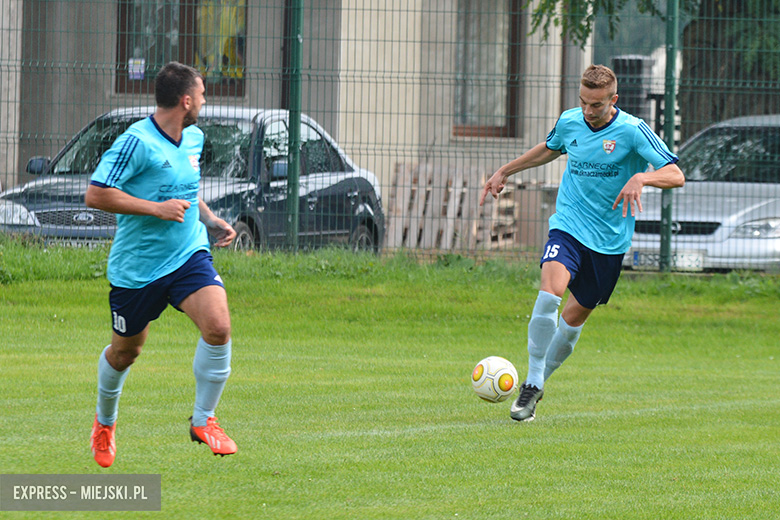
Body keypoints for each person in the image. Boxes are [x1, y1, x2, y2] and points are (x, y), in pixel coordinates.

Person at [480, 64, 685, 422]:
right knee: (549, 294)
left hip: (608, 241)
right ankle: (530, 384)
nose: (589, 112)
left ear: (613, 100)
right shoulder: (570, 121)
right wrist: (505, 171)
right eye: (584, 102)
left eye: (597, 105)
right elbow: (549, 149)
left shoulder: (633, 131)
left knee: (573, 320)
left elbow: (676, 174)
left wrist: (642, 177)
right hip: (569, 227)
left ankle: (540, 380)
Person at [86, 61, 238, 467]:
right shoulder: (136, 142)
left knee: (219, 326)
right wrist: (155, 209)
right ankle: (104, 424)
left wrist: (208, 219)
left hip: (188, 255)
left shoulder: (194, 138)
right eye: (202, 94)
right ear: (186, 100)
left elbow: (186, 188)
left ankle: (204, 420)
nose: (205, 101)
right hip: (137, 269)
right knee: (125, 353)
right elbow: (96, 195)